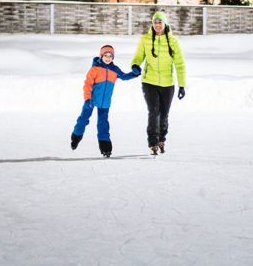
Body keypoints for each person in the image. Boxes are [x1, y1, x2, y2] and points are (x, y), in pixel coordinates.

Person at [131, 11, 186, 155]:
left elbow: (180, 64)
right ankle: (153, 143)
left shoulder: (173, 41)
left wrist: (182, 85)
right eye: (155, 22)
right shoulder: (145, 39)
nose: (157, 25)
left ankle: (162, 139)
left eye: (159, 22)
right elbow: (138, 57)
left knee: (164, 114)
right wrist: (135, 65)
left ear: (165, 24)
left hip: (168, 83)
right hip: (149, 81)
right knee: (153, 111)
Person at [71, 45, 140, 157]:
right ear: (101, 56)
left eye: (110, 56)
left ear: (113, 58)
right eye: (105, 55)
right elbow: (87, 85)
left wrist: (134, 74)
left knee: (103, 124)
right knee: (83, 119)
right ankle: (76, 138)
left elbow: (124, 76)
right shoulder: (94, 69)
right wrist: (87, 98)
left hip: (105, 102)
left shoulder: (114, 69)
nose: (108, 58)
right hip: (91, 101)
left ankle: (105, 148)